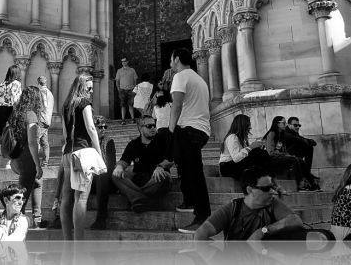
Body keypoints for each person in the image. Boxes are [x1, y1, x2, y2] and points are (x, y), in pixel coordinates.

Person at [194, 166, 304, 241]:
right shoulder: (233, 209)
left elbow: (296, 221)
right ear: (250, 190)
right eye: (266, 188)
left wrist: (264, 230)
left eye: (272, 187)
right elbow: (200, 233)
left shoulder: (272, 204)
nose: (272, 192)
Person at [168, 48, 211, 234]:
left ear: (176, 58)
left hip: (190, 129)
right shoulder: (198, 78)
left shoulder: (180, 76)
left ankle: (202, 217)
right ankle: (189, 200)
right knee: (184, 165)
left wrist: (170, 130)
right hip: (201, 129)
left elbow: (176, 105)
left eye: (171, 58)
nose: (170, 61)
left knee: (194, 172)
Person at [60, 73, 106, 240]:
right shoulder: (84, 103)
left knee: (66, 197)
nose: (91, 91)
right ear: (81, 87)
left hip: (68, 152)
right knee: (81, 197)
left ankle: (67, 240)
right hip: (82, 152)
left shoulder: (66, 105)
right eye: (89, 88)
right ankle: (79, 241)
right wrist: (99, 153)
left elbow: (65, 133)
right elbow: (91, 128)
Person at [111, 116, 172, 213]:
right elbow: (124, 160)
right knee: (116, 175)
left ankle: (136, 198)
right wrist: (119, 167)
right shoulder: (133, 144)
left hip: (155, 179)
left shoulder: (162, 141)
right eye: (149, 126)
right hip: (138, 179)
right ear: (140, 128)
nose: (153, 128)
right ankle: (144, 200)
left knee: (164, 176)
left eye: (154, 125)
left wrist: (160, 166)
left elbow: (170, 160)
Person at [8, 86, 46, 229]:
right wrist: (37, 164)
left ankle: (37, 219)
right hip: (27, 159)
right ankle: (14, 226)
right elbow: (32, 142)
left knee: (37, 183)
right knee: (21, 196)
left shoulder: (16, 114)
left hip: (17, 157)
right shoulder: (31, 115)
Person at [262, 116, 314, 191]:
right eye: (283, 123)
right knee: (293, 160)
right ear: (277, 124)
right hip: (271, 159)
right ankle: (299, 184)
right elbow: (270, 152)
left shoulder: (282, 134)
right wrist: (284, 155)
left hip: (279, 157)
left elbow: (283, 150)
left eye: (285, 123)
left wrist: (287, 154)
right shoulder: (272, 133)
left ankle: (311, 182)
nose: (285, 124)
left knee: (299, 160)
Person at [219, 114, 269, 179]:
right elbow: (236, 158)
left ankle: (266, 175)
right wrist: (251, 147)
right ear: (243, 126)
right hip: (228, 167)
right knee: (258, 153)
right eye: (248, 125)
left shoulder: (241, 139)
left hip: (234, 165)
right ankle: (268, 175)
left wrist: (257, 146)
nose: (250, 127)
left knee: (259, 152)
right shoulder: (232, 137)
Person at [282, 117, 320, 189]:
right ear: (289, 125)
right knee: (302, 144)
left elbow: (300, 138)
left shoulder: (294, 133)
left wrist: (308, 141)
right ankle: (306, 175)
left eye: (299, 125)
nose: (298, 127)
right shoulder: (285, 133)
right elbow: (295, 139)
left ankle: (307, 173)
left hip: (294, 155)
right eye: (295, 125)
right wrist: (307, 141)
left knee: (308, 147)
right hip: (286, 155)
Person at [37, 76, 54, 167]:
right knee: (44, 141)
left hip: (41, 119)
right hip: (48, 119)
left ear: (38, 83)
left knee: (36, 140)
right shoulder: (50, 93)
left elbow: (44, 104)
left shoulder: (41, 92)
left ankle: (34, 161)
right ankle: (45, 162)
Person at [115, 57, 138, 125]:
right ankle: (123, 119)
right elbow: (117, 81)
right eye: (122, 62)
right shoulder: (119, 70)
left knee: (131, 104)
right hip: (122, 89)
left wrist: (135, 89)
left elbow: (135, 80)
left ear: (127, 62)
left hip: (131, 89)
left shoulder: (132, 70)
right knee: (123, 105)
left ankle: (133, 119)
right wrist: (118, 89)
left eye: (125, 61)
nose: (123, 63)